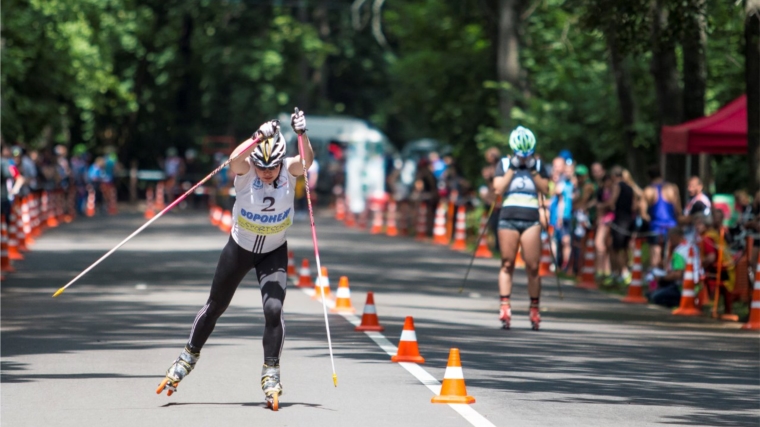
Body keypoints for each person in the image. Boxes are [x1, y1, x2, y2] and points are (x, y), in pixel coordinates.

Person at [157, 110, 312, 409]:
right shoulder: (245, 172)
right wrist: (256, 138)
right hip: (239, 249)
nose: (267, 172)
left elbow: (307, 162)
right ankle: (185, 360)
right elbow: (234, 159)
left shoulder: (289, 170)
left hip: (273, 251)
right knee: (216, 306)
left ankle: (271, 374)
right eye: (262, 166)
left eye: (272, 167)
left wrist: (302, 135)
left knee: (274, 308)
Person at [492, 126, 550, 330]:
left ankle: (534, 307)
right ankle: (505, 305)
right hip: (508, 218)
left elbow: (545, 189)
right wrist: (513, 167)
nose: (524, 157)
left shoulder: (539, 165)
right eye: (520, 154)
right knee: (507, 263)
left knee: (533, 266)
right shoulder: (505, 163)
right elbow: (498, 189)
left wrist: (533, 169)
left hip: (531, 219)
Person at [642, 165, 681, 269]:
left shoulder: (648, 190)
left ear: (648, 177)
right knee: (670, 254)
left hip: (655, 227)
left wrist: (649, 220)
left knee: (655, 254)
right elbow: (678, 210)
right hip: (672, 226)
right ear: (661, 174)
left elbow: (642, 213)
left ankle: (655, 280)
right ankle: (668, 277)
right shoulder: (672, 188)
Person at [649, 226, 697, 307]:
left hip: (683, 287)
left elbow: (678, 274)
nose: (670, 241)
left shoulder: (679, 251)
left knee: (654, 297)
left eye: (670, 238)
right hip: (696, 284)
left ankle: (679, 303)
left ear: (675, 236)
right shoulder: (693, 246)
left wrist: (661, 278)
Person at [603, 166, 635, 286]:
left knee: (615, 248)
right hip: (629, 220)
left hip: (620, 220)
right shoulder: (630, 188)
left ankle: (623, 273)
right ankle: (621, 272)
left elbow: (612, 202)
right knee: (625, 248)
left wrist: (602, 205)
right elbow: (634, 206)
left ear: (614, 176)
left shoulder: (617, 186)